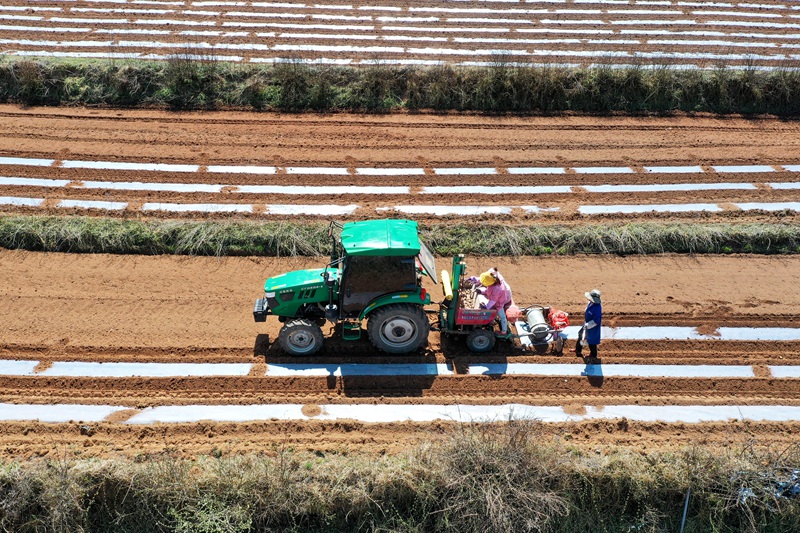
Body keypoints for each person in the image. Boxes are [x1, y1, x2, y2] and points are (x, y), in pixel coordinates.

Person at [478, 268, 514, 336]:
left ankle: (504, 331)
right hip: (496, 298)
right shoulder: (492, 278)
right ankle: (491, 322)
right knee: (492, 311)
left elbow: (493, 301)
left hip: (499, 302)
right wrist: (481, 291)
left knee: (501, 316)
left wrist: (486, 307)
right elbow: (488, 290)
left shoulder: (497, 289)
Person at [575, 289, 602, 358]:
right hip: (587, 323)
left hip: (593, 326)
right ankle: (577, 350)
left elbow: (596, 321)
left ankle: (593, 354)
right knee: (580, 334)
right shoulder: (590, 303)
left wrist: (588, 325)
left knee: (591, 341)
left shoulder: (597, 308)